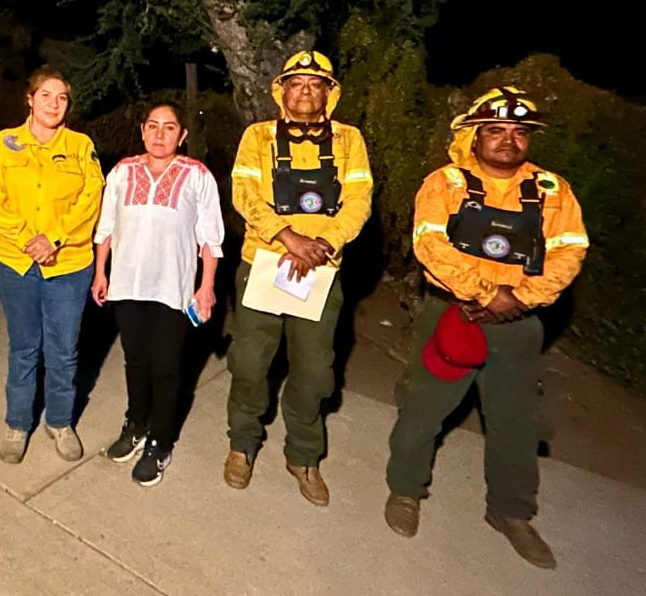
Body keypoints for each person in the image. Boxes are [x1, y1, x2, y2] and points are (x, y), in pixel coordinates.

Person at [384, 86, 588, 569]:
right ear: (475, 135)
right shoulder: (446, 183)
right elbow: (430, 244)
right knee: (425, 405)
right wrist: (483, 292)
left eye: (519, 133)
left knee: (515, 419)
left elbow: (570, 251)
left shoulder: (553, 191)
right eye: (496, 131)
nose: (508, 141)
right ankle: (405, 490)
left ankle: (512, 512)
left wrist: (519, 299)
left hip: (519, 322)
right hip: (453, 312)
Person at [225, 50, 372, 503]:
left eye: (316, 83)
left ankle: (304, 455)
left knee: (314, 372)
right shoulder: (258, 136)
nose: (305, 91)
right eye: (297, 83)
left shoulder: (349, 140)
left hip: (321, 271)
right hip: (264, 264)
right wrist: (288, 237)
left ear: (329, 92)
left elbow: (359, 200)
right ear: (282, 90)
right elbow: (244, 192)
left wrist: (321, 245)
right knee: (250, 363)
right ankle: (242, 444)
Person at [91, 103, 224, 486]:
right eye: (153, 126)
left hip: (172, 289)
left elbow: (210, 240)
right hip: (127, 285)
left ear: (182, 136)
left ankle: (160, 442)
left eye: (169, 128)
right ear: (142, 130)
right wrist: (101, 272)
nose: (160, 134)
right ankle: (136, 423)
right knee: (135, 361)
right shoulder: (122, 171)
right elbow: (107, 227)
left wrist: (206, 287)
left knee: (166, 368)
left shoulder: (197, 176)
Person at [0, 68, 104, 464]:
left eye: (62, 97)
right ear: (29, 99)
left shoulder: (81, 146)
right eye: (46, 95)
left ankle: (61, 422)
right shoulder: (5, 143)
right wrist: (26, 240)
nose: (54, 103)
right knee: (23, 347)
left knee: (64, 350)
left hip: (67, 264)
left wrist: (53, 237)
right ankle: (18, 424)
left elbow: (91, 198)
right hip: (15, 263)